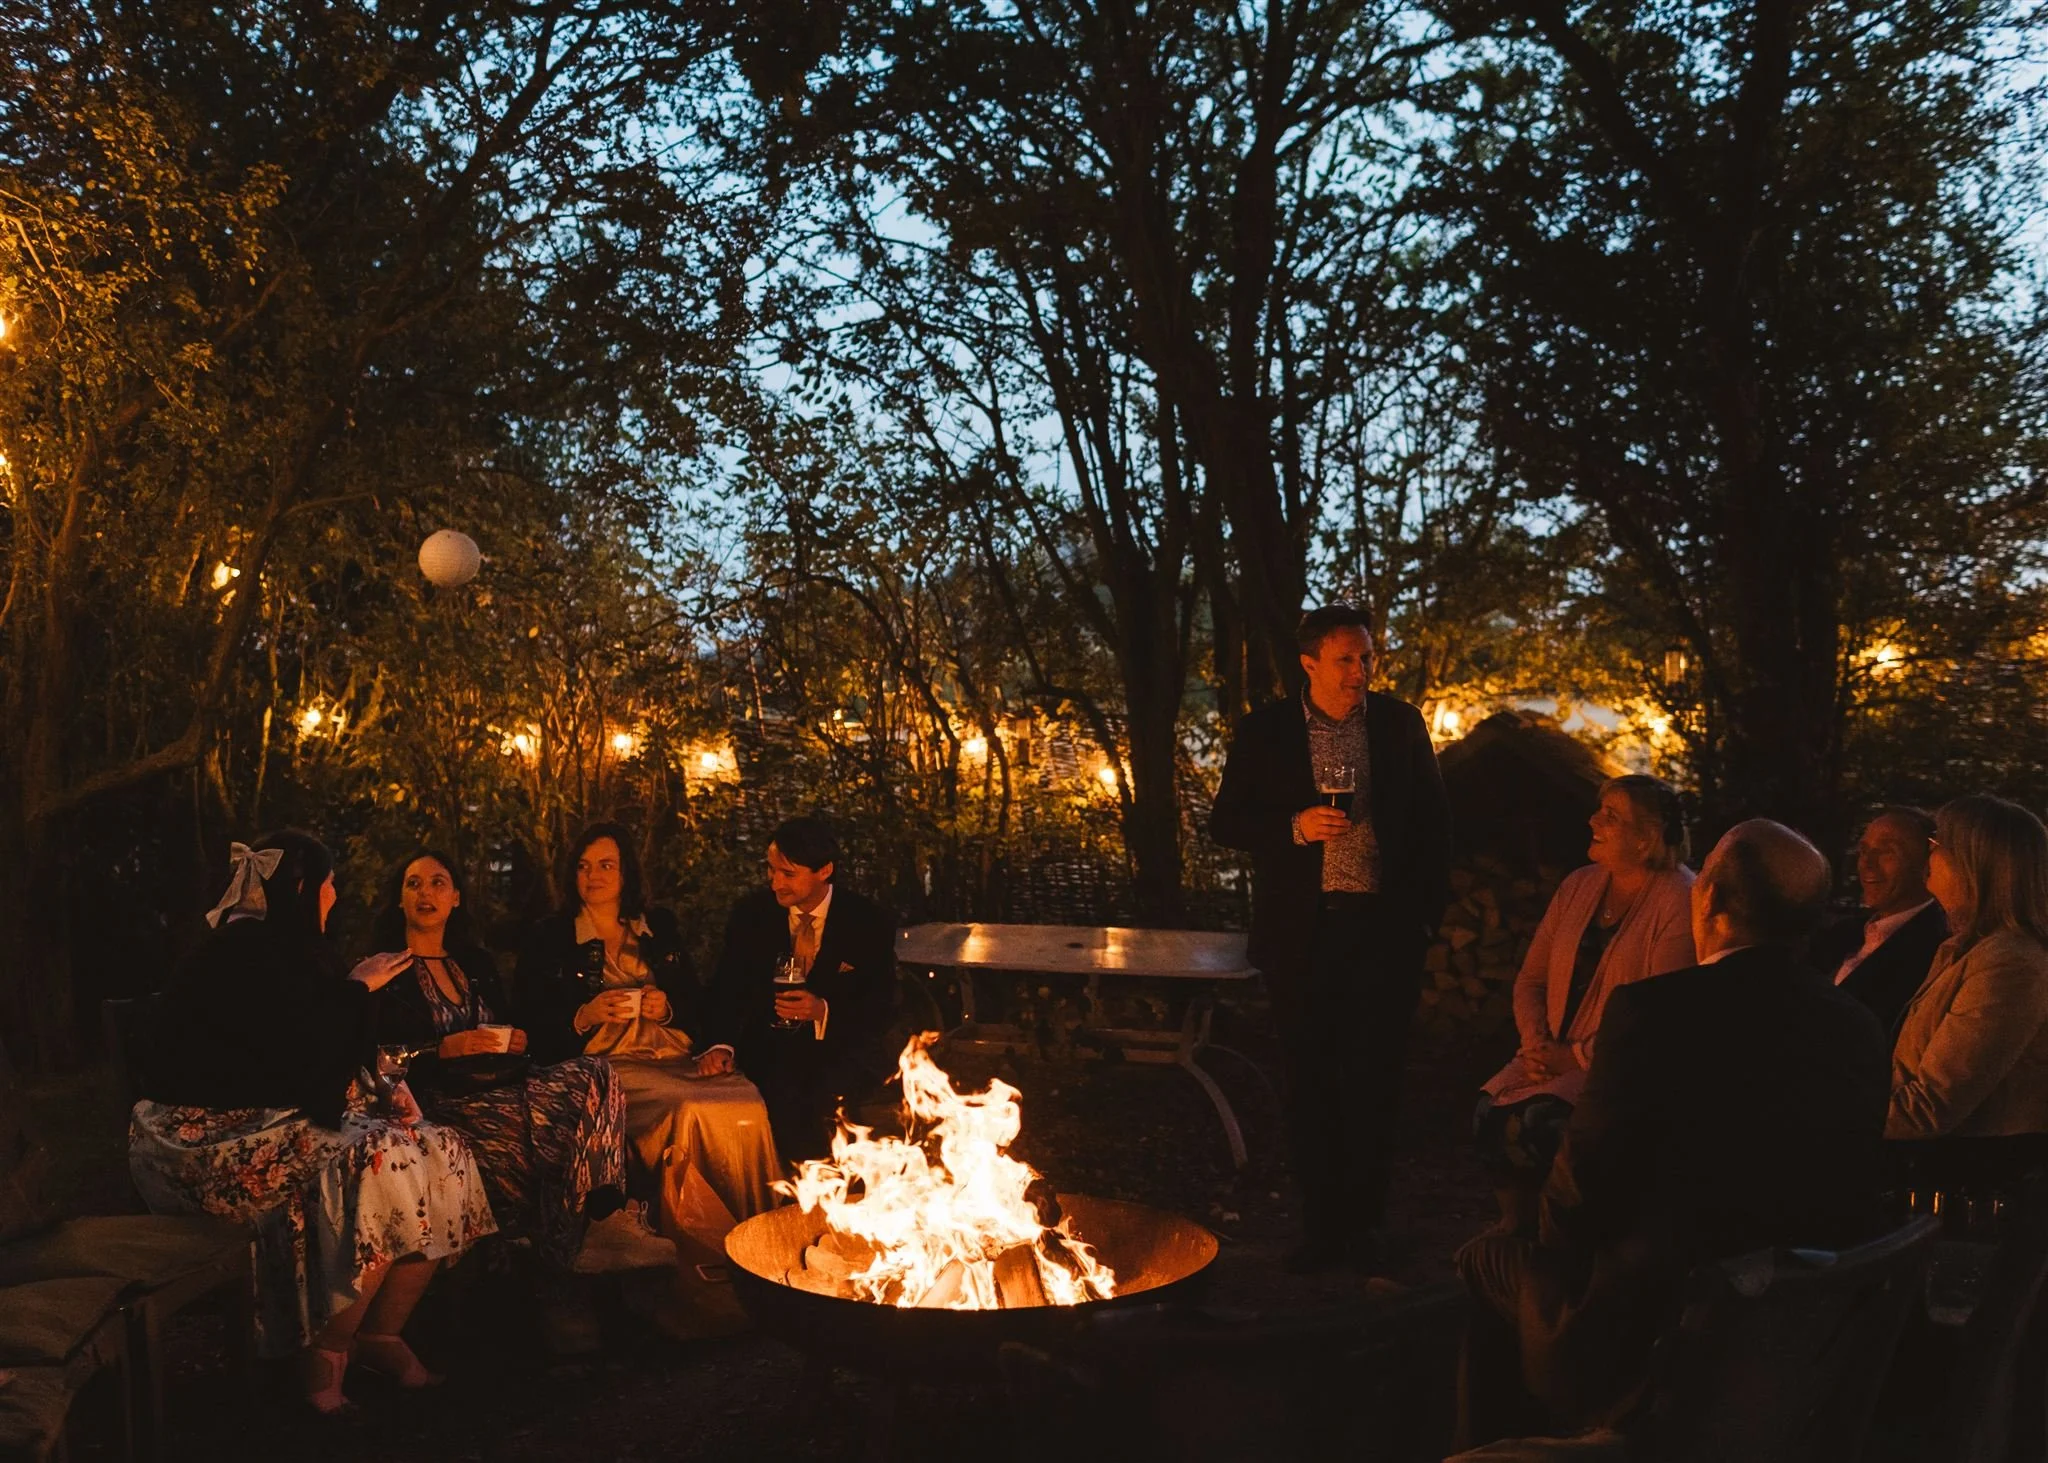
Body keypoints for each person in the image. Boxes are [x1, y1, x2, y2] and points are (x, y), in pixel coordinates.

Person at [1452, 820, 1890, 1449]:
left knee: (1487, 1258)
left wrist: (1550, 1252)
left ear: (1709, 900)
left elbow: (1584, 1179)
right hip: (1797, 1304)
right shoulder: (1856, 1024)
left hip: (1661, 1317)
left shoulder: (1654, 1011)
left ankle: (1506, 1443)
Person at [130, 832, 496, 1413]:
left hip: (265, 1116)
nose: (334, 897)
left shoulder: (288, 948)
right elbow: (290, 1050)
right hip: (202, 1140)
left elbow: (310, 1052)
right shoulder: (241, 951)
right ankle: (327, 1350)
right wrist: (360, 988)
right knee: (383, 1158)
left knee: (440, 1147)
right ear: (300, 889)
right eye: (327, 886)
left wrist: (386, 1085)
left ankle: (381, 1332)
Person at [1207, 605, 1452, 1272]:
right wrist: (1293, 826)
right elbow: (1225, 821)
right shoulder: (1267, 732)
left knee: (1376, 1081)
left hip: (1383, 932)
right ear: (1309, 663)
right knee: (1311, 1082)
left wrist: (1424, 917)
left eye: (1367, 657)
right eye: (1346, 658)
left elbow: (1434, 823)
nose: (1360, 670)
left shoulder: (1399, 725)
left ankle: (1367, 1227)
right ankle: (1322, 1231)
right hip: (1303, 935)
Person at [367, 850, 673, 1282]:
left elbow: (517, 1029)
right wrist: (442, 1049)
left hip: (504, 1082)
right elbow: (377, 1057)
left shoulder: (473, 963)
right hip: (445, 1100)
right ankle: (565, 1258)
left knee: (596, 1073)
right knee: (551, 1140)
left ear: (455, 898)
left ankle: (608, 1217)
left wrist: (516, 1038)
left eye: (438, 883)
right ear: (399, 900)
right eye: (413, 884)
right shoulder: (384, 971)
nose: (425, 893)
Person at [517, 824, 780, 1258]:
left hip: (674, 1056)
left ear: (626, 874)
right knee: (690, 1108)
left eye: (606, 865)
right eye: (583, 866)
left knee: (744, 1100)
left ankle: (758, 1241)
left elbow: (699, 1000)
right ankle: (699, 1249)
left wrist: (669, 1007)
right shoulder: (552, 936)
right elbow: (530, 1022)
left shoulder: (657, 926)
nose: (593, 876)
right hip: (608, 1066)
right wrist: (584, 1015)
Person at [1474, 776, 1694, 1233]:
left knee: (1535, 1124)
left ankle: (1566, 1238)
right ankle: (1517, 1227)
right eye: (1599, 809)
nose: (1593, 820)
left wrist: (1573, 1058)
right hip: (1549, 1055)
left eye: (1611, 816)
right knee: (1485, 1111)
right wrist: (1537, 1045)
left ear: (1646, 836)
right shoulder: (1579, 886)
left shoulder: (1679, 900)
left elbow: (1658, 1015)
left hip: (1620, 1066)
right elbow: (1532, 979)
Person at [702, 816, 898, 1165]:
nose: (775, 882)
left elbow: (881, 1003)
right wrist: (721, 1043)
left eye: (787, 874)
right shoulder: (752, 915)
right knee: (777, 1089)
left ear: (824, 871)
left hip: (842, 1048)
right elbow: (727, 986)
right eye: (771, 870)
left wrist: (823, 1009)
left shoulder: (866, 921)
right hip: (768, 1049)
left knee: (820, 1094)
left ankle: (832, 1194)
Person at [1888, 795, 2048, 1141]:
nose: (1927, 853)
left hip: (1971, 1181)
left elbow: (1931, 1107)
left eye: (1937, 843)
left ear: (1974, 863)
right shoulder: (1964, 950)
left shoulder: (2010, 964)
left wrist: (1835, 1116)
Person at [1809, 806, 1949, 1034]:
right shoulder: (1843, 935)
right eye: (1864, 851)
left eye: (1887, 852)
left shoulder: (1936, 950)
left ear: (1928, 864)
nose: (1867, 863)